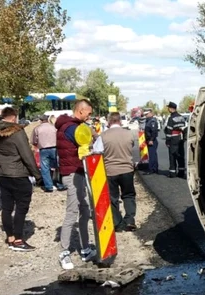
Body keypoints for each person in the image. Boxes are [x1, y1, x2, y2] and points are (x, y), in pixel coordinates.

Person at [0, 107, 42, 252]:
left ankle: (10, 237)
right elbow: (27, 155)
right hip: (18, 174)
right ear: (13, 117)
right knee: (22, 207)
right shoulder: (17, 132)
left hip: (3, 174)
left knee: (7, 207)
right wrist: (37, 175)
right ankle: (18, 240)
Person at [56, 99, 96, 270]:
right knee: (72, 212)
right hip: (72, 174)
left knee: (85, 210)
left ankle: (85, 249)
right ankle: (64, 252)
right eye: (89, 112)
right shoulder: (72, 128)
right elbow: (85, 144)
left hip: (77, 172)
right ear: (81, 111)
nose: (90, 116)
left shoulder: (71, 125)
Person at [100, 112, 137, 232]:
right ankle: (130, 220)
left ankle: (117, 223)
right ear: (120, 121)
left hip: (110, 171)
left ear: (109, 121)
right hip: (127, 170)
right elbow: (131, 146)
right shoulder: (129, 134)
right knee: (129, 195)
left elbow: (97, 151)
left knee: (113, 198)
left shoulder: (103, 136)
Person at [32, 115, 67, 193]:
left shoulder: (37, 128)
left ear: (40, 120)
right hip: (54, 148)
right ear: (47, 119)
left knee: (45, 168)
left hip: (43, 149)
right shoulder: (53, 127)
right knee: (56, 167)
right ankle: (59, 184)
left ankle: (49, 186)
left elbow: (34, 141)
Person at [164, 101, 186, 178]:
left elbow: (169, 131)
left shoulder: (171, 118)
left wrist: (167, 141)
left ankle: (172, 173)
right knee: (180, 155)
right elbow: (184, 128)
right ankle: (181, 172)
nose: (168, 109)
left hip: (173, 139)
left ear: (171, 108)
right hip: (180, 138)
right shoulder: (181, 117)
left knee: (172, 156)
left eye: (168, 108)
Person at [143, 109, 159, 174]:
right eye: (145, 114)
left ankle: (151, 169)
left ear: (150, 113)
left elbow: (154, 131)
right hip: (150, 140)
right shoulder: (148, 121)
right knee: (153, 155)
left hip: (152, 140)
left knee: (152, 155)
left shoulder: (152, 121)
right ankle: (154, 168)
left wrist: (151, 139)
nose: (145, 115)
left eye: (147, 114)